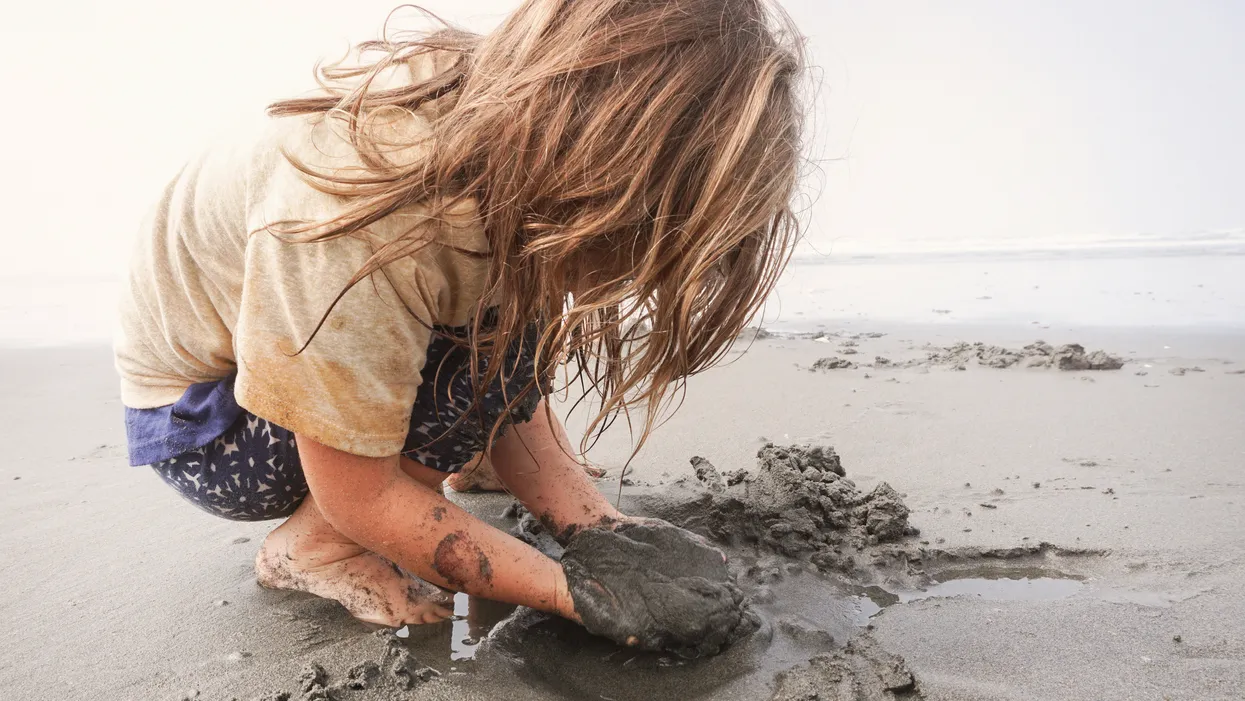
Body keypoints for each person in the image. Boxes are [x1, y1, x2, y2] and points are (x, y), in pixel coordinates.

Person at [116, 0, 804, 631]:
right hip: (208, 432)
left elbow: (509, 351)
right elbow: (363, 494)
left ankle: (467, 458)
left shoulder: (518, 122)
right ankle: (313, 549)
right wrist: (575, 592)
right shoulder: (375, 211)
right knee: (463, 364)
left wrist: (594, 524)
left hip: (291, 358)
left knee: (505, 302)